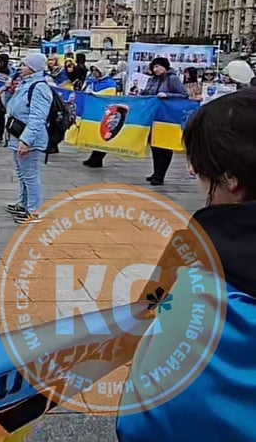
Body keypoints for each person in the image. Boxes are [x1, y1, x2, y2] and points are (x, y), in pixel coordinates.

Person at [117, 88, 256, 441]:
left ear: (231, 180)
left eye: (201, 172)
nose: (195, 176)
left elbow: (152, 416)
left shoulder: (199, 262)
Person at [5, 54, 52, 225]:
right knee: (22, 173)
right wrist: (9, 93)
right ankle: (24, 204)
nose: (20, 67)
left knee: (30, 175)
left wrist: (26, 141)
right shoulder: (26, 84)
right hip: (17, 136)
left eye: (24, 64)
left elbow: (38, 118)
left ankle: (34, 211)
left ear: (33, 67)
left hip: (28, 139)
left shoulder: (39, 87)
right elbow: (11, 108)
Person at [140, 56, 187, 186]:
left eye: (158, 66)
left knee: (164, 146)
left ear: (164, 66)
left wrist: (168, 95)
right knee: (155, 145)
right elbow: (147, 93)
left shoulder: (172, 79)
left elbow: (183, 94)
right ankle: (156, 172)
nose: (155, 69)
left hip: (167, 118)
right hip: (154, 117)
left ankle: (160, 175)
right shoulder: (152, 80)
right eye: (154, 67)